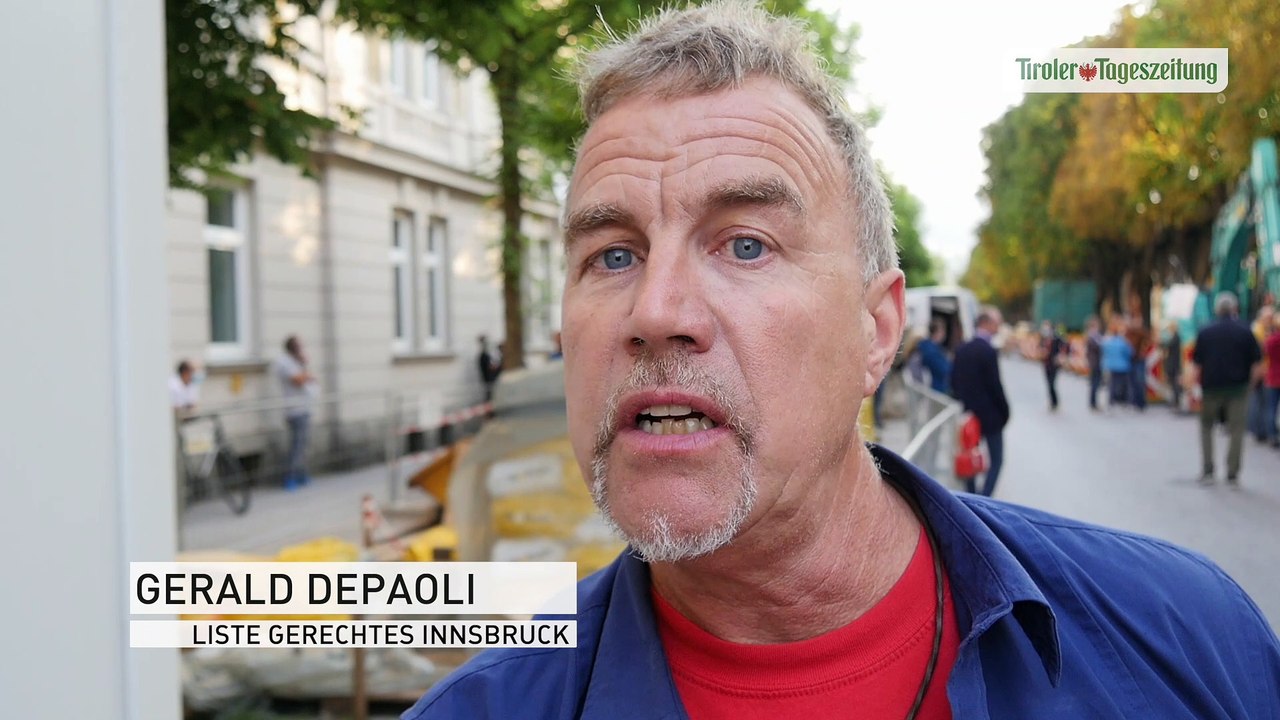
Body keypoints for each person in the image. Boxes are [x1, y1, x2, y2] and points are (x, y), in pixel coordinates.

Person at [401, 4, 1280, 718]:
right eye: (613, 255)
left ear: (876, 329)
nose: (656, 312)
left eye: (745, 245)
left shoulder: (1187, 643)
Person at [1189, 292, 1263, 485]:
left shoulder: (1205, 332)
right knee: (1237, 429)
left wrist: (1193, 387)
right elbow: (1257, 364)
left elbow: (1197, 365)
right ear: (1234, 309)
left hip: (1211, 388)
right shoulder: (1245, 331)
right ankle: (1232, 471)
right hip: (1238, 389)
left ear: (1217, 310)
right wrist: (1250, 385)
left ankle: (1208, 469)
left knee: (1206, 427)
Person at [950, 308, 1011, 496]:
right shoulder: (988, 351)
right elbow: (995, 386)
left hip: (970, 414)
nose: (998, 327)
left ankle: (972, 495)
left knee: (970, 456)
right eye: (996, 323)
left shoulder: (962, 349)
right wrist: (1005, 412)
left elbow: (954, 382)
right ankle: (985, 496)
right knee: (997, 459)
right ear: (986, 323)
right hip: (991, 415)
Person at [273, 335, 317, 490]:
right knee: (297, 445)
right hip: (294, 410)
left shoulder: (297, 362)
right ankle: (290, 476)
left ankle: (301, 474)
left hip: (304, 408)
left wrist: (304, 365)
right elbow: (297, 380)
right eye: (299, 346)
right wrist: (308, 376)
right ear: (292, 347)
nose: (301, 349)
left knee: (303, 445)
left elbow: (306, 379)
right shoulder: (284, 362)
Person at [1247, 304, 1274, 441]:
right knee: (1259, 401)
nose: (1270, 320)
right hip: (1261, 370)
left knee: (1261, 401)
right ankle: (1259, 429)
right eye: (1268, 318)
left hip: (1265, 370)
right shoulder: (1258, 331)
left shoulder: (1260, 330)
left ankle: (1260, 429)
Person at [1101, 318, 1133, 409]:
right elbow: (1129, 352)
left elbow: (1104, 352)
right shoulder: (1123, 342)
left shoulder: (1107, 342)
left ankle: (1111, 401)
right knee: (1124, 384)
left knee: (1112, 384)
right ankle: (1124, 401)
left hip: (1111, 365)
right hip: (1123, 366)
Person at [915, 319, 951, 394]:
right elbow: (945, 370)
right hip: (934, 390)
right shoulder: (931, 350)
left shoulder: (925, 345)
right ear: (938, 332)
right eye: (943, 331)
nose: (944, 334)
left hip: (929, 389)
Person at [1037, 320, 1067, 411]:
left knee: (1052, 384)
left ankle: (1055, 402)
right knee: (1048, 384)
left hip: (1054, 364)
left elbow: (1064, 346)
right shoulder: (1042, 339)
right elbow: (1039, 348)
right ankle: (1052, 402)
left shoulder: (1056, 337)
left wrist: (1061, 356)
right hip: (1046, 364)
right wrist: (1041, 352)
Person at [1124, 318, 1149, 411]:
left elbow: (1147, 342)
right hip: (1132, 360)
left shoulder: (1142, 333)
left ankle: (1140, 402)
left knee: (1139, 381)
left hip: (1139, 360)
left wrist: (1143, 350)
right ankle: (1134, 401)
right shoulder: (1129, 333)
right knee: (1133, 382)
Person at [1263, 313, 1280, 448]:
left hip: (1273, 377)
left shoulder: (1270, 341)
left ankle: (1272, 435)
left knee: (1271, 408)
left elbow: (1265, 354)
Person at [1162, 320, 1183, 413]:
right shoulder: (1174, 337)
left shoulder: (1176, 338)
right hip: (1173, 363)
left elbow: (1168, 346)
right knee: (1173, 383)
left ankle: (1176, 401)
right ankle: (1175, 400)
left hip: (1174, 364)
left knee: (1175, 383)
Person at [1084, 316, 1103, 411]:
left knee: (1096, 383)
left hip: (1096, 363)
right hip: (1095, 363)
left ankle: (1094, 402)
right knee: (1095, 383)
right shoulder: (1092, 337)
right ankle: (1093, 403)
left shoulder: (1097, 337)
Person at [477, 335, 502, 403]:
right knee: (490, 393)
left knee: (490, 393)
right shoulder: (484, 355)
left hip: (489, 379)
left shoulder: (485, 355)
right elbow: (489, 367)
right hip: (489, 379)